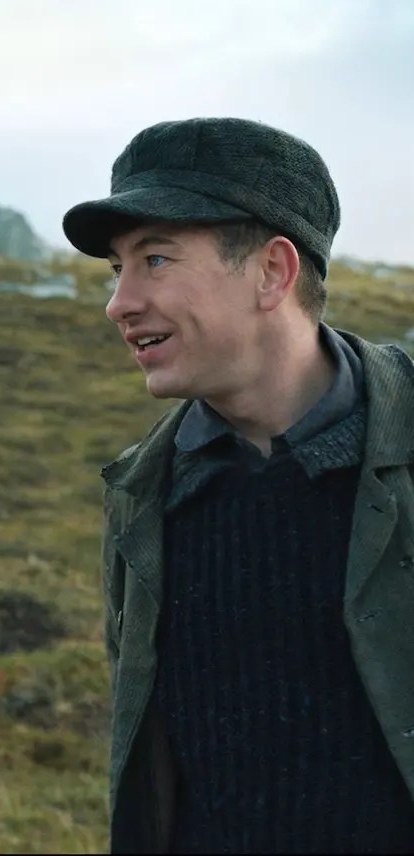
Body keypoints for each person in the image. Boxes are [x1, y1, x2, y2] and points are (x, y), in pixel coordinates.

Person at [63, 117, 414, 853]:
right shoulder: (142, 492)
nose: (120, 302)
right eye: (117, 269)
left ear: (272, 272)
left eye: (156, 259)